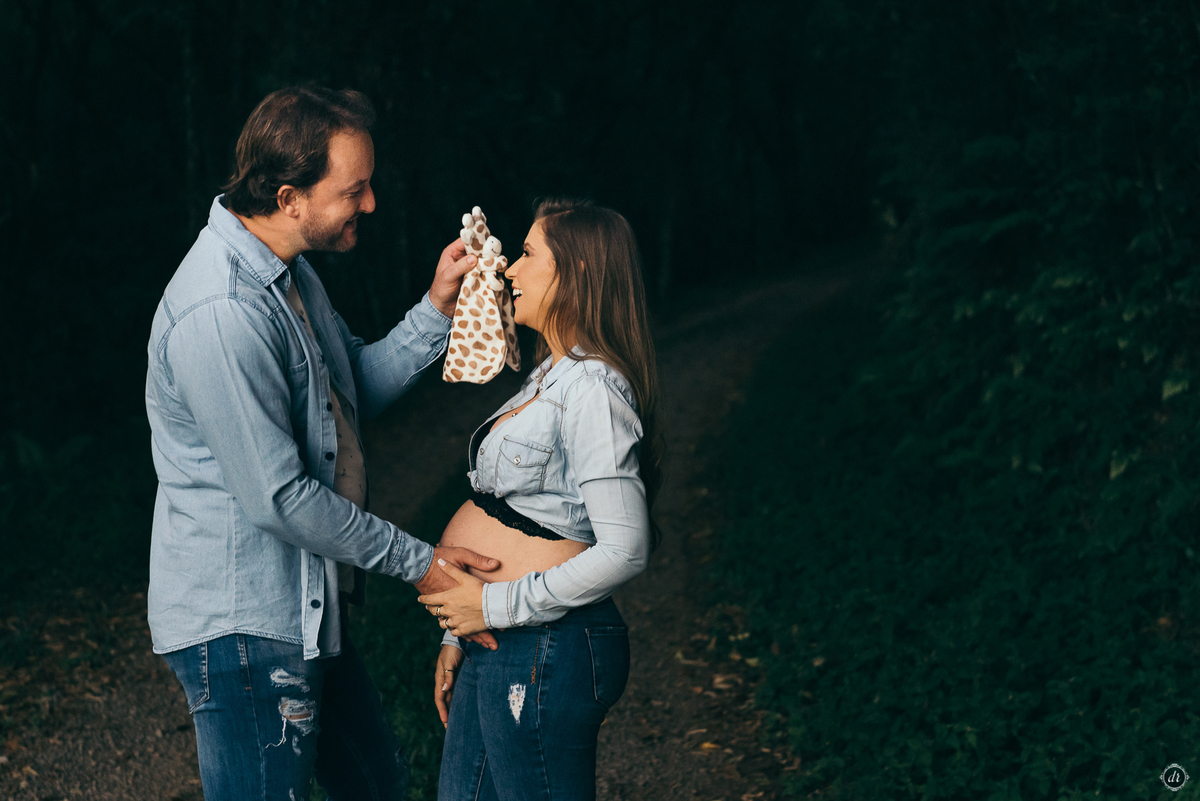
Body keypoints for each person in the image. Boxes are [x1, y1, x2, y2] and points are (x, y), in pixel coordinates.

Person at [144, 85, 500, 801]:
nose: (370, 206)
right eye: (354, 190)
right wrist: (422, 564)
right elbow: (282, 498)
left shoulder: (287, 272)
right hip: (245, 629)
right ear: (289, 198)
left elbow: (345, 396)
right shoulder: (224, 313)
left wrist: (437, 308)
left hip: (305, 605)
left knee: (376, 784)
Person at [418, 197, 663, 800]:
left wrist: (493, 607)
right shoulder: (550, 375)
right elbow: (516, 513)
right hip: (501, 639)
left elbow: (626, 550)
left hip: (546, 642)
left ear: (576, 272)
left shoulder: (595, 390)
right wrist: (460, 634)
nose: (509, 270)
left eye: (528, 254)